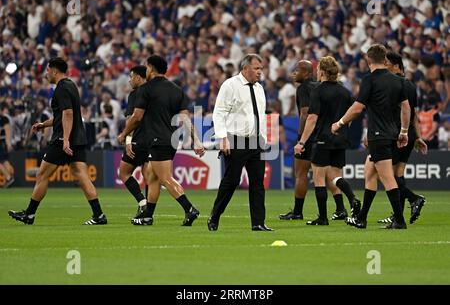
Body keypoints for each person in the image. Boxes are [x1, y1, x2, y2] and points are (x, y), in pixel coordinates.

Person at [8, 57, 107, 225]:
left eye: (47, 70)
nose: (46, 74)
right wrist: (44, 125)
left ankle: (29, 215)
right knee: (82, 176)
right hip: (78, 138)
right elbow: (62, 116)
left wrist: (65, 140)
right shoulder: (71, 85)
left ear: (54, 71)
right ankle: (99, 215)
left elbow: (68, 114)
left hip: (64, 139)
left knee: (42, 174)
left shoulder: (61, 89)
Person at [118, 55, 205, 226]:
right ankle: (148, 216)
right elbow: (185, 118)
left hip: (157, 139)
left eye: (147, 67)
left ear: (150, 68)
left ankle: (189, 209)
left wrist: (124, 134)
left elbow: (136, 117)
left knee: (165, 178)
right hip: (171, 139)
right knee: (153, 178)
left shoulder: (146, 89)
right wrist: (196, 140)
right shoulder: (177, 90)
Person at [331, 44, 410, 229]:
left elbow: (358, 108)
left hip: (378, 135)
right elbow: (406, 107)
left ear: (368, 61)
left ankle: (399, 220)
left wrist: (340, 123)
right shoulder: (398, 81)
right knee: (370, 173)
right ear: (385, 60)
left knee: (388, 178)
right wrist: (404, 131)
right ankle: (362, 218)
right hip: (390, 134)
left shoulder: (369, 80)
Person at [279, 60, 352, 221]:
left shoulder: (305, 88)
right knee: (330, 174)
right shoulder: (335, 89)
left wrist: (301, 138)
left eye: (297, 70)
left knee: (301, 174)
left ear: (307, 73)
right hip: (330, 136)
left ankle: (298, 212)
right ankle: (341, 208)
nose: (293, 73)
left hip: (312, 135)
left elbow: (306, 113)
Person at [208, 54, 272, 231]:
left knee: (258, 183)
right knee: (231, 181)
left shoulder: (259, 88)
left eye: (261, 68)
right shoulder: (230, 85)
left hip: (256, 142)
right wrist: (222, 137)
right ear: (245, 69)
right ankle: (215, 216)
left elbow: (261, 115)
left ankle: (258, 222)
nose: (260, 72)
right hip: (235, 140)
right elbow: (219, 112)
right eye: (257, 68)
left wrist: (263, 139)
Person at [295, 56, 360, 225]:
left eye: (318, 70)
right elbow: (351, 115)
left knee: (319, 177)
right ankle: (352, 199)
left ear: (322, 71)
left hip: (323, 138)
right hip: (340, 139)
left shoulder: (318, 90)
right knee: (336, 176)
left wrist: (301, 142)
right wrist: (342, 128)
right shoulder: (344, 91)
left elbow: (311, 118)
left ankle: (322, 217)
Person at [378, 51, 427, 224]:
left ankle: (414, 199)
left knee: (386, 175)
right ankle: (397, 215)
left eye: (387, 63)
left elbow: (407, 113)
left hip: (398, 134)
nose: (384, 66)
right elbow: (415, 114)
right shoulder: (410, 85)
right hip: (409, 134)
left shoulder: (396, 84)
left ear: (396, 66)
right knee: (398, 174)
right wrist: (418, 137)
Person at [117, 66, 150, 219]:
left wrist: (128, 139)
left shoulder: (136, 94)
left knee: (123, 172)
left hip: (138, 140)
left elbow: (132, 119)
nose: (129, 80)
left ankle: (143, 203)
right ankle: (148, 210)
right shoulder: (154, 92)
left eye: (131, 77)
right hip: (155, 140)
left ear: (138, 77)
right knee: (149, 175)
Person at [0, 102, 14, 188]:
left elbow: (8, 131)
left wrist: (8, 144)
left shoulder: (4, 118)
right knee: (4, 161)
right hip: (3, 143)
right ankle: (10, 179)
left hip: (1, 143)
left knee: (4, 161)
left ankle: (8, 178)